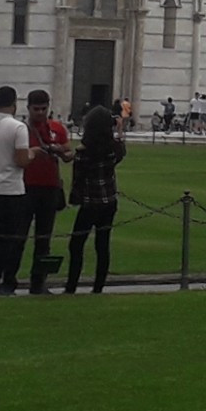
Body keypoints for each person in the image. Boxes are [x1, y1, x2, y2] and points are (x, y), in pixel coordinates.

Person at [0, 86, 38, 295]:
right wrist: (33, 153)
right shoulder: (18, 127)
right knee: (8, 239)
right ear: (14, 103)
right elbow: (21, 161)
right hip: (10, 189)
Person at [62, 105, 129, 294]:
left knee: (76, 245)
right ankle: (98, 287)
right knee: (102, 244)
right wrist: (119, 129)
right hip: (109, 202)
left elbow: (78, 179)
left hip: (90, 203)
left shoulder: (85, 152)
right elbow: (121, 151)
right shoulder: (113, 149)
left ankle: (71, 286)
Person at [23, 90, 70, 294]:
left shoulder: (57, 128)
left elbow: (69, 154)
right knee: (19, 236)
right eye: (36, 109)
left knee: (44, 238)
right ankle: (8, 280)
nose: (40, 113)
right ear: (29, 108)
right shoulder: (21, 129)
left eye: (44, 108)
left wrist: (59, 149)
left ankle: (38, 282)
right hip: (25, 187)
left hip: (49, 188)